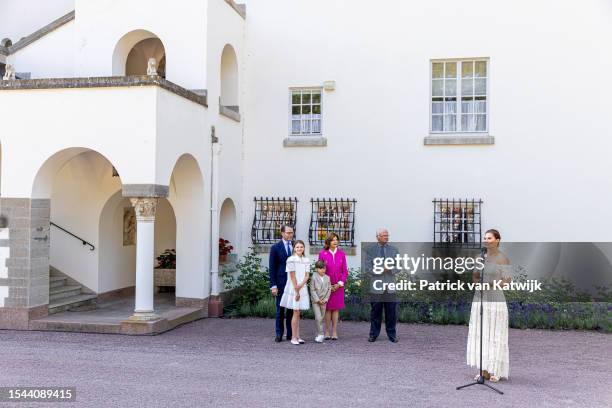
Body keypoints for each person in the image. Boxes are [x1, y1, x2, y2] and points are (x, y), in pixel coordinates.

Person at [466, 229, 511, 382]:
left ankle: (495, 370)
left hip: (495, 299)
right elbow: (475, 275)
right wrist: (478, 285)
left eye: (490, 238)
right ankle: (483, 369)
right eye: (485, 238)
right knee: (482, 334)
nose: (486, 240)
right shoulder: (480, 257)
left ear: (497, 240)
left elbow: (507, 281)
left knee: (495, 334)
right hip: (480, 299)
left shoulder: (502, 258)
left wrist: (492, 284)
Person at [365, 228, 399, 343]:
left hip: (390, 287)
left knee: (391, 313)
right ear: (378, 237)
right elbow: (368, 268)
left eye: (387, 235)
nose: (386, 237)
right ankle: (373, 334)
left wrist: (390, 269)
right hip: (376, 286)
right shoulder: (371, 250)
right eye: (384, 235)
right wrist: (380, 269)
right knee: (375, 312)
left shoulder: (394, 250)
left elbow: (398, 267)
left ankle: (392, 335)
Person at [279, 240, 311, 345]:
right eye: (297, 247)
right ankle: (293, 337)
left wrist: (301, 286)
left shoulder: (306, 260)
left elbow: (307, 275)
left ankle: (298, 336)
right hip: (293, 287)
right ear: (294, 248)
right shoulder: (291, 259)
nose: (299, 249)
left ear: (304, 248)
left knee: (298, 313)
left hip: (302, 286)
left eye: (301, 247)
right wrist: (297, 289)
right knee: (295, 312)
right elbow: (292, 276)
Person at [318, 233, 348, 340]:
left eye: (337, 240)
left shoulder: (342, 254)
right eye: (333, 240)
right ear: (328, 242)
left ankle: (334, 332)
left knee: (335, 309)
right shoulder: (322, 254)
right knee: (327, 309)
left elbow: (345, 271)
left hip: (338, 286)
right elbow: (320, 271)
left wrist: (339, 284)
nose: (335, 242)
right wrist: (327, 285)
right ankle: (326, 331)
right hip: (326, 286)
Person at [269, 225, 294, 342]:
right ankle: (279, 334)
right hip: (280, 283)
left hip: (292, 283)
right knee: (280, 310)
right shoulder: (275, 247)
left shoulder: (295, 246)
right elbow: (272, 268)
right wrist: (273, 285)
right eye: (288, 233)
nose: (290, 235)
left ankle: (290, 334)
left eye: (292, 233)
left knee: (291, 310)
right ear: (282, 233)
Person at [310, 260, 331, 343]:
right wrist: (318, 300)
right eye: (320, 268)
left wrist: (325, 299)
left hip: (324, 301)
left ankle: (318, 333)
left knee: (321, 318)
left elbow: (329, 289)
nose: (323, 270)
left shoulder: (327, 277)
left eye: (324, 268)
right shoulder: (314, 277)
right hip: (316, 301)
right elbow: (312, 290)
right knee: (318, 317)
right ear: (316, 269)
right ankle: (321, 334)